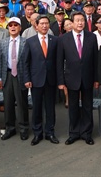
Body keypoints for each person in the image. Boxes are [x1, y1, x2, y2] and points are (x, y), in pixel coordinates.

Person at [57, 12, 98, 145]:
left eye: (82, 20)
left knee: (87, 106)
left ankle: (87, 133)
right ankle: (74, 133)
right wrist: (61, 81)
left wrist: (97, 79)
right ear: (72, 23)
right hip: (71, 78)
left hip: (88, 77)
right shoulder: (64, 39)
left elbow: (95, 60)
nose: (80, 23)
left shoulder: (92, 37)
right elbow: (59, 62)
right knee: (73, 107)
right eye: (77, 20)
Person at [22, 15, 59, 146]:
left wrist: (60, 80)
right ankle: (37, 133)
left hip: (51, 79)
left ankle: (50, 132)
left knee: (50, 108)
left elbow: (58, 62)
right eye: (41, 24)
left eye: (46, 23)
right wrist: (27, 79)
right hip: (36, 79)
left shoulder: (55, 40)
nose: (44, 26)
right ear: (36, 26)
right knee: (36, 108)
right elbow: (25, 62)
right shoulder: (30, 41)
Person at [0, 17, 30, 141]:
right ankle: (10, 128)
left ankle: (24, 128)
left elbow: (28, 62)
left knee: (22, 103)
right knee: (8, 103)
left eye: (16, 25)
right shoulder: (4, 42)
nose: (13, 27)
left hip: (21, 76)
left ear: (20, 28)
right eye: (11, 25)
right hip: (7, 75)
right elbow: (0, 61)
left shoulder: (26, 42)